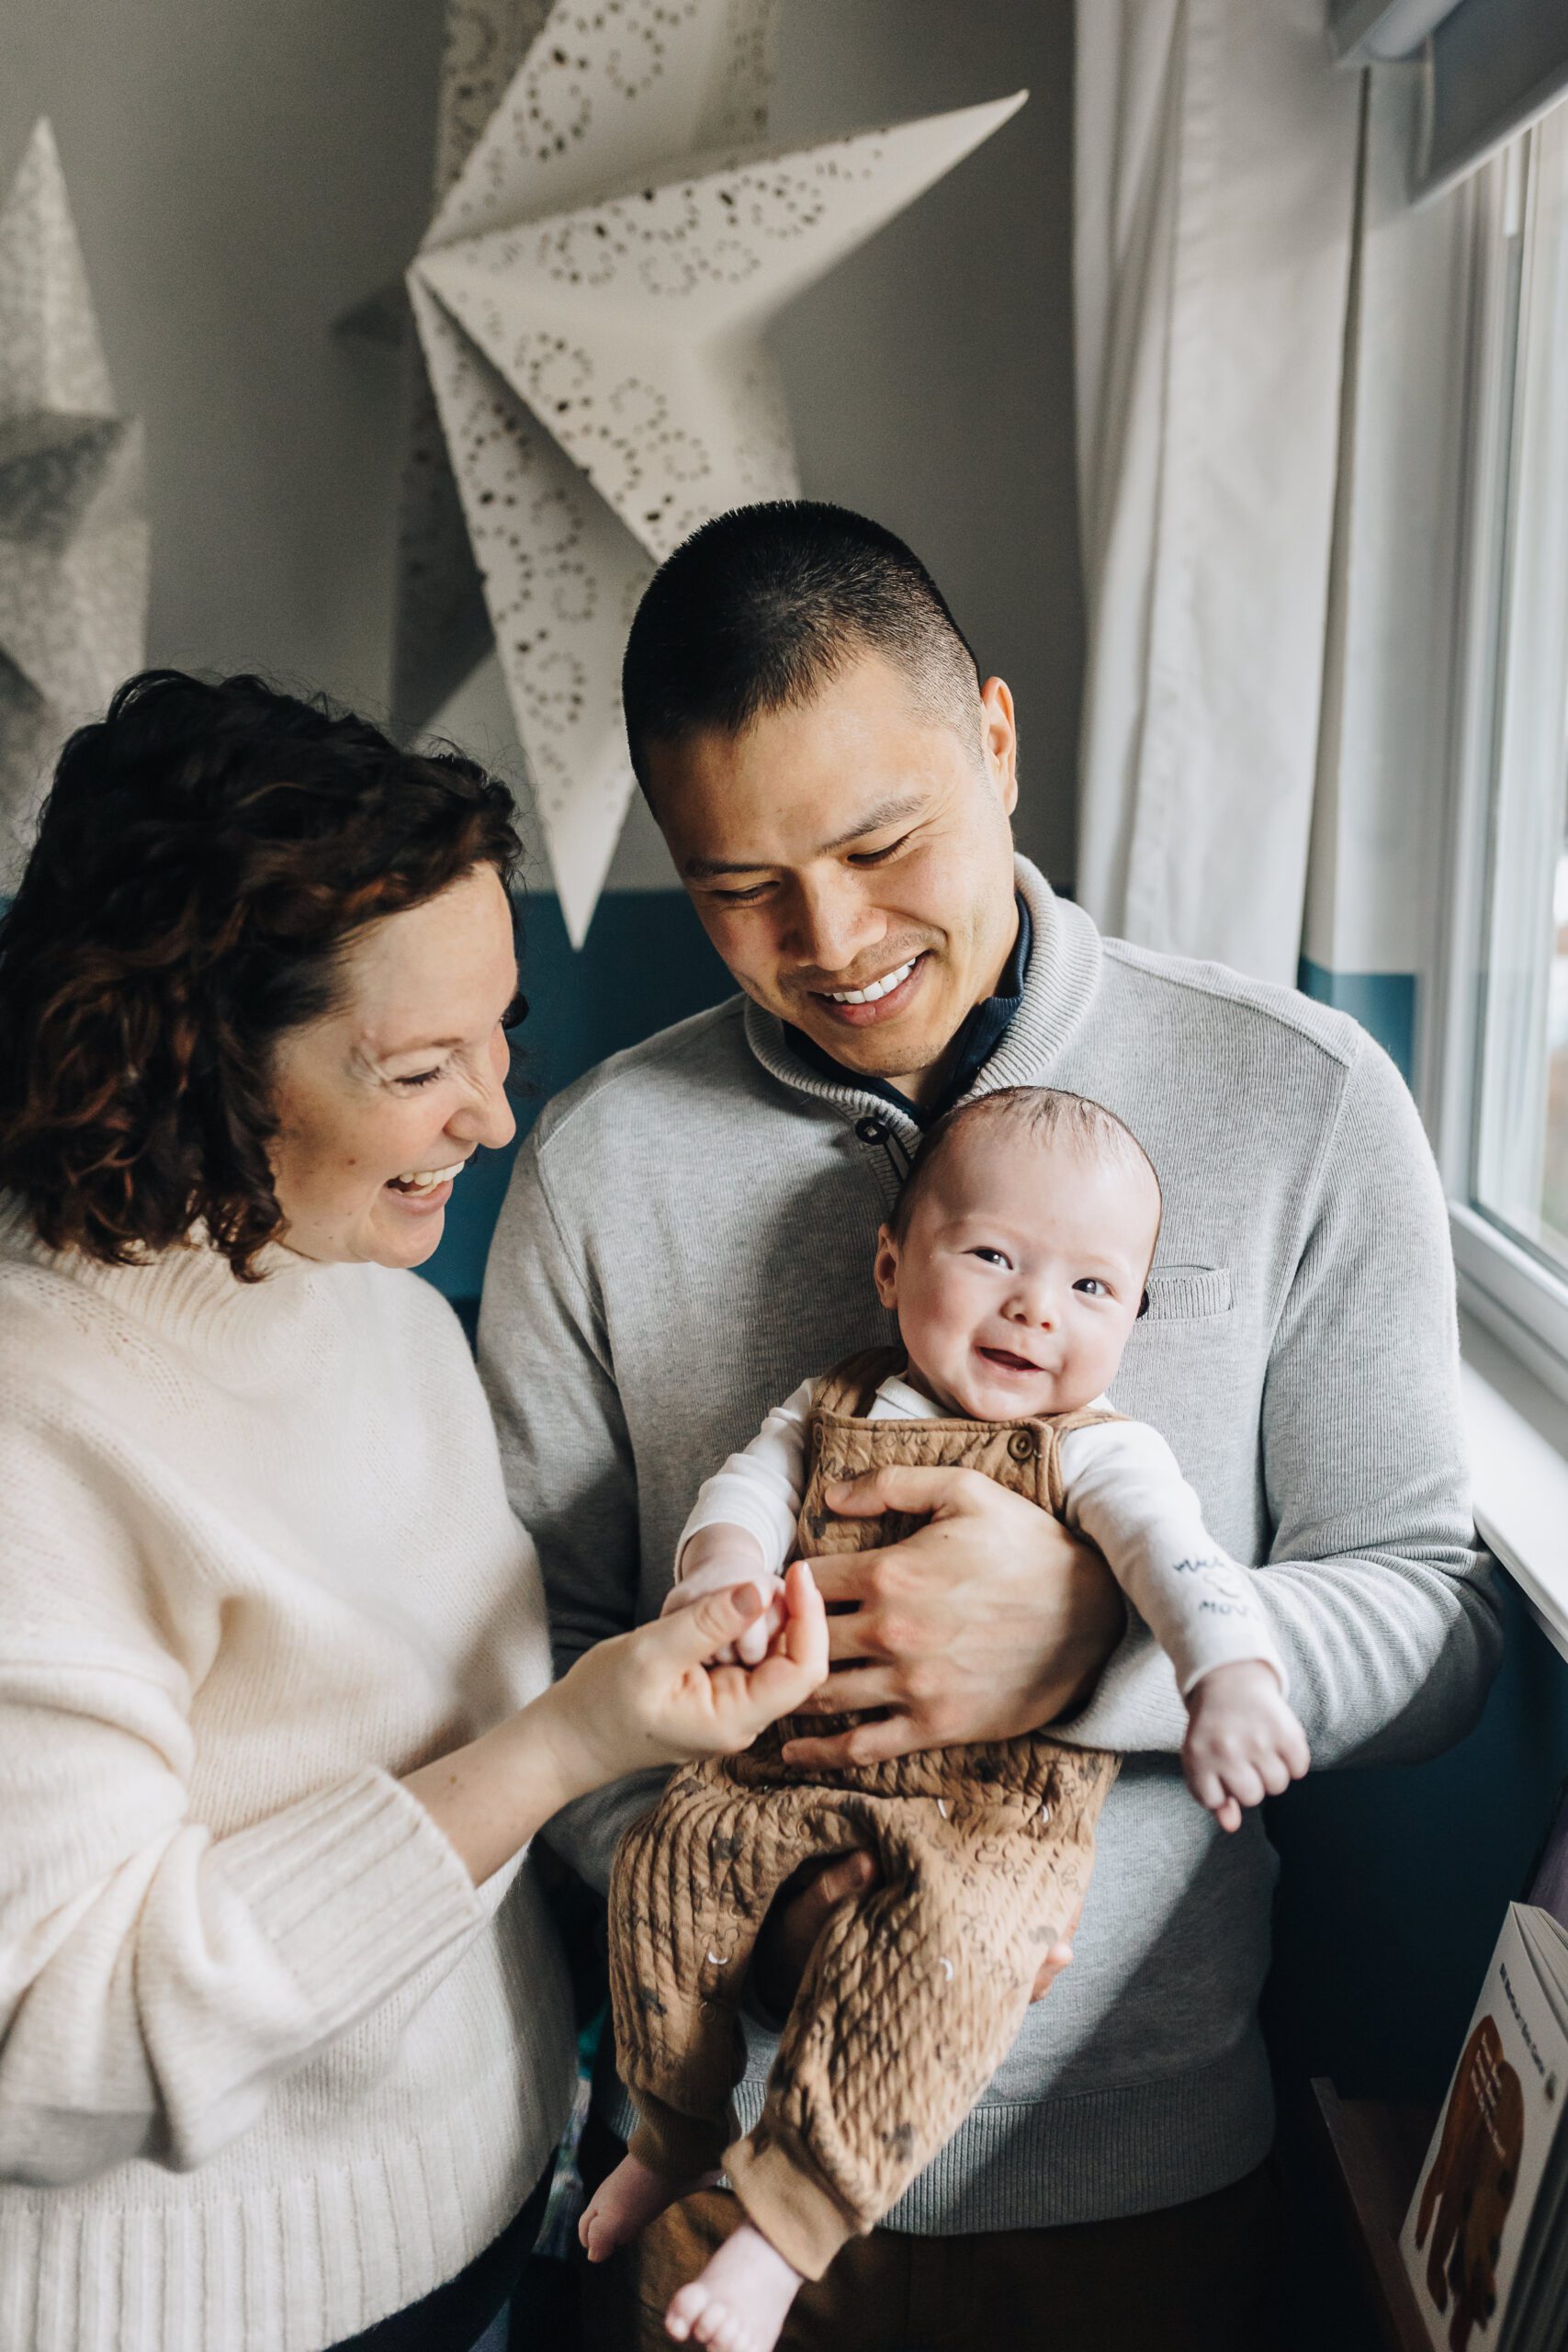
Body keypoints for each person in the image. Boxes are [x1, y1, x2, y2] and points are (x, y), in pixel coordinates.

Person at [478, 501, 1500, 2351]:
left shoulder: (1297, 1097)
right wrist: (749, 1922)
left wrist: (1095, 1646)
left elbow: (1433, 1619)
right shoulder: (597, 1167)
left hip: (1143, 2182)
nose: (832, 940)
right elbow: (521, 1651)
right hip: (704, 2182)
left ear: (999, 744)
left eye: (883, 843)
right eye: (738, 889)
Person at [0, 671, 828, 2352]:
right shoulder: (40, 1413)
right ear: (194, 1058)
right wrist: (560, 1746)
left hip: (476, 2229)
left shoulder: (378, 1306)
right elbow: (49, 2047)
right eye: (420, 1067)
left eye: (501, 1037)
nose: (497, 1116)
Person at [584, 1085, 1311, 2352]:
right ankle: (674, 2132)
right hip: (779, 1776)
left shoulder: (1101, 1453)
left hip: (990, 1820)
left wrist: (1229, 1678)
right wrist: (717, 1580)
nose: (1037, 1306)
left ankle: (782, 2230)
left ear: (1135, 1319)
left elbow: (1178, 1563)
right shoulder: (829, 1408)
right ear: (890, 1262)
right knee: (664, 1860)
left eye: (1094, 1289)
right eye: (993, 1258)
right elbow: (743, 1493)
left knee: (952, 1962)